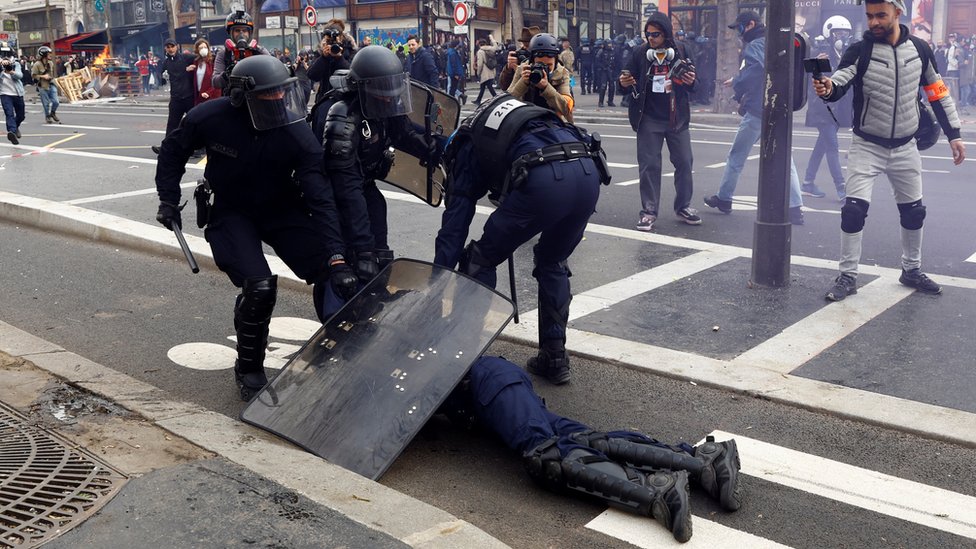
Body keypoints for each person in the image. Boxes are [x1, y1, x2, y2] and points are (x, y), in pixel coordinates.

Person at [153, 55, 357, 401]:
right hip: (231, 211)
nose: (277, 100)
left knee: (334, 271)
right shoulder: (209, 117)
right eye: (268, 95)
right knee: (260, 287)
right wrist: (168, 200)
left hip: (280, 208)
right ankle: (248, 367)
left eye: (281, 93)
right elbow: (173, 152)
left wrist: (337, 256)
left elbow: (321, 197)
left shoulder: (296, 133)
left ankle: (343, 348)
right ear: (240, 96)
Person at [438, 354, 743, 542]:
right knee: (583, 441)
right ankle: (703, 461)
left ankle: (656, 490)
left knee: (546, 455)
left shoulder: (417, 336)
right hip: (489, 393)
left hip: (485, 379)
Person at [433, 92, 610, 385]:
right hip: (588, 172)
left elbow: (454, 231)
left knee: (480, 259)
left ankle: (463, 359)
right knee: (553, 260)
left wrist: (436, 281)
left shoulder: (463, 147)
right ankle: (554, 357)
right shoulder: (508, 120)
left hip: (545, 180)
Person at [813, 0, 965, 301]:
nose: (874, 22)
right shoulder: (859, 50)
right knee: (853, 211)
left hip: (906, 146)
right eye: (869, 16)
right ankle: (848, 275)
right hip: (866, 145)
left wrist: (954, 134)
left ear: (898, 12)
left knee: (914, 212)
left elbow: (937, 93)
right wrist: (828, 88)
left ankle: (911, 270)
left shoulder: (920, 49)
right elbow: (839, 82)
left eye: (880, 15)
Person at [320, 45, 436, 286]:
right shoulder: (343, 117)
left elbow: (403, 133)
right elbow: (347, 189)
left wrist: (435, 148)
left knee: (380, 255)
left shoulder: (383, 102)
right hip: (336, 194)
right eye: (383, 91)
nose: (389, 97)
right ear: (363, 88)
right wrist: (363, 248)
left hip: (365, 183)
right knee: (353, 264)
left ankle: (377, 288)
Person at [702, 11, 806, 226]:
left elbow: (758, 69)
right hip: (778, 107)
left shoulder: (756, 44)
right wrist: (738, 80)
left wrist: (738, 85)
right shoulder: (773, 39)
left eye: (740, 28)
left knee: (736, 157)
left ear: (750, 24)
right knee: (786, 160)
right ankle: (795, 208)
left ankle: (724, 198)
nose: (739, 33)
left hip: (759, 110)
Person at [619, 12, 700, 232]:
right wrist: (623, 82)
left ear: (666, 34)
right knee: (649, 166)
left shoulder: (682, 50)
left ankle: (683, 207)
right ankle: (648, 211)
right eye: (648, 34)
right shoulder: (640, 52)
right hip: (648, 118)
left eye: (655, 34)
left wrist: (691, 81)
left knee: (685, 161)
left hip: (677, 118)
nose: (651, 38)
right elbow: (624, 81)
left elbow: (696, 85)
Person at [803, 16, 855, 202]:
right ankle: (841, 189)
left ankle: (808, 183)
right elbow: (810, 78)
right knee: (832, 147)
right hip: (823, 109)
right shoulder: (821, 53)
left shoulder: (843, 54)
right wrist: (816, 64)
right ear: (829, 33)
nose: (842, 37)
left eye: (845, 33)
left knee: (822, 146)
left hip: (836, 110)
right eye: (838, 33)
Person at [506, 33, 574, 123]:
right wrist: (523, 82)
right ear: (532, 61)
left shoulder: (562, 73)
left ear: (556, 61)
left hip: (553, 122)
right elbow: (507, 101)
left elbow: (566, 108)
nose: (544, 69)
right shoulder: (523, 69)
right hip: (526, 120)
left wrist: (546, 88)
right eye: (539, 64)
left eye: (549, 65)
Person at [151, 39, 197, 155]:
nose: (170, 49)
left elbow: (200, 59)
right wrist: (162, 76)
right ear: (165, 48)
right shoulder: (165, 62)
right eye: (168, 47)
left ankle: (197, 148)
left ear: (177, 46)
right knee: (172, 125)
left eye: (172, 46)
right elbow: (162, 80)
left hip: (189, 97)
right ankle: (166, 148)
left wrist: (192, 68)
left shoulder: (186, 57)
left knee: (193, 123)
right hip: (176, 98)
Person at [212, 10, 271, 91]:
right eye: (237, 30)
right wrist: (226, 75)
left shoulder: (259, 51)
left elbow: (273, 70)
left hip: (256, 95)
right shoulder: (224, 53)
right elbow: (215, 82)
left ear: (249, 33)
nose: (241, 34)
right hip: (232, 96)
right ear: (230, 33)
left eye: (244, 30)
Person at [307, 20, 354, 105]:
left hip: (346, 100)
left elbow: (352, 74)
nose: (332, 43)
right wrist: (323, 57)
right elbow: (312, 75)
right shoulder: (321, 52)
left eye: (335, 40)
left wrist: (339, 58)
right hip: (325, 99)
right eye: (328, 40)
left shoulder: (350, 50)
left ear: (341, 37)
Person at [499, 26, 541, 92]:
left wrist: (519, 72)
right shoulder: (518, 56)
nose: (523, 48)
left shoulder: (545, 60)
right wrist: (509, 68)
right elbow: (504, 86)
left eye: (527, 46)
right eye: (523, 45)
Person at [0, 43, 26, 145]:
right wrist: (2, 70)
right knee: (9, 113)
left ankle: (15, 127)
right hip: (5, 94)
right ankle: (12, 132)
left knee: (21, 115)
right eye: (3, 54)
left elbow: (20, 76)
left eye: (7, 54)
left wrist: (11, 71)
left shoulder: (16, 64)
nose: (5, 57)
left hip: (17, 93)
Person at [31, 46, 61, 124]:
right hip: (43, 86)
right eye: (48, 53)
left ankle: (53, 113)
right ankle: (47, 116)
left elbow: (52, 73)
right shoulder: (37, 64)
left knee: (56, 102)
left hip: (51, 84)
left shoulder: (50, 63)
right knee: (46, 103)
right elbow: (33, 75)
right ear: (44, 55)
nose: (50, 55)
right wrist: (43, 76)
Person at [191, 38, 221, 106]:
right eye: (201, 48)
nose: (203, 49)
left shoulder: (213, 61)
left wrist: (208, 92)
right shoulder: (196, 62)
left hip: (211, 96)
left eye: (205, 47)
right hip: (200, 96)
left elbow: (217, 80)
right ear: (197, 50)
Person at [474, 37, 498, 104]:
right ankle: (478, 100)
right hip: (491, 70)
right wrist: (491, 38)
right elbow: (496, 45)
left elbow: (480, 64)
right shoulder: (491, 49)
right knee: (483, 86)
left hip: (484, 72)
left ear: (479, 44)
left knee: (489, 86)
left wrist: (478, 73)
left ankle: (496, 98)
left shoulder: (480, 52)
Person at [593, 39, 615, 107]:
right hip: (604, 71)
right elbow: (597, 61)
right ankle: (600, 102)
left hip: (611, 70)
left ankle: (610, 101)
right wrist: (602, 67)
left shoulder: (612, 51)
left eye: (610, 44)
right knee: (603, 86)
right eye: (608, 44)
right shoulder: (601, 51)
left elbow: (615, 61)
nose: (610, 45)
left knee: (612, 86)